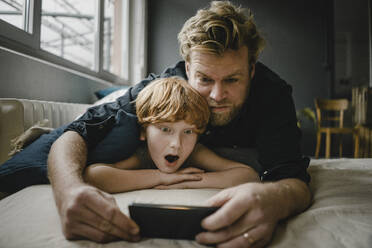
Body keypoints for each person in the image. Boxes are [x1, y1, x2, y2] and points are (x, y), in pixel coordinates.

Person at [46, 1, 311, 247]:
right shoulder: (166, 90)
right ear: (188, 69)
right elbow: (79, 131)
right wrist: (69, 191)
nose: (217, 95)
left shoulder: (272, 94)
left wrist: (275, 199)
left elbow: (292, 179)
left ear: (252, 70)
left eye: (232, 80)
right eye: (205, 79)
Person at [84, 77, 259, 193]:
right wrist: (161, 177)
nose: (177, 144)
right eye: (166, 129)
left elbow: (248, 175)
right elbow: (94, 175)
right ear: (144, 131)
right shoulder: (143, 154)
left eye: (188, 132)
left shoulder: (195, 152)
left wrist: (184, 181)